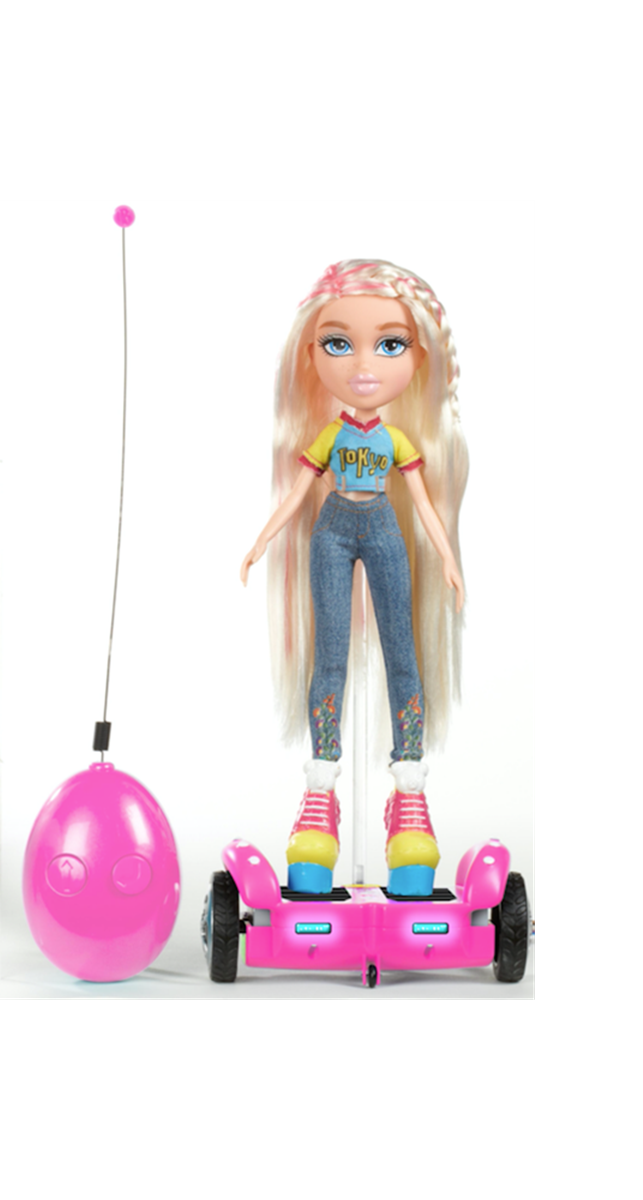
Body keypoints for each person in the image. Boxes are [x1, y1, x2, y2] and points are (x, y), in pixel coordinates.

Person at [241, 260, 467, 896]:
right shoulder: (327, 437)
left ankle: (408, 792)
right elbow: (296, 494)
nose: (364, 365)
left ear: (417, 357)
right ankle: (321, 793)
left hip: (385, 528)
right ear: (312, 354)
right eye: (339, 344)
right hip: (334, 528)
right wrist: (263, 539)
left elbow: (423, 502)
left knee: (403, 655)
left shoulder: (396, 440)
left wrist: (447, 556)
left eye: (389, 345)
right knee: (330, 657)